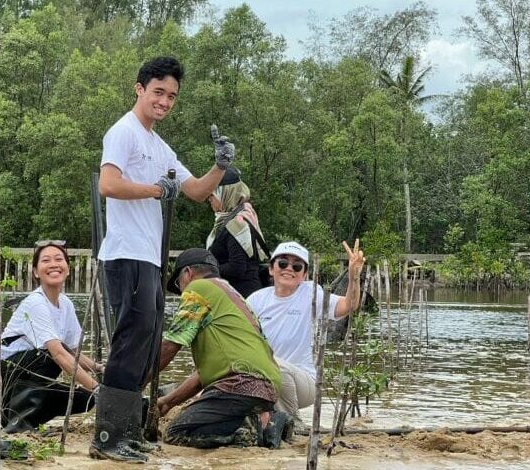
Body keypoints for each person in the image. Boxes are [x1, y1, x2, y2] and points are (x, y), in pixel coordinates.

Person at [90, 56, 235, 463]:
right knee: (130, 342)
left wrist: (220, 167)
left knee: (147, 344)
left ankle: (126, 432)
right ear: (139, 89)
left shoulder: (159, 144)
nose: (165, 101)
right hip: (125, 253)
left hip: (149, 258)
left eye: (171, 95)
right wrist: (156, 191)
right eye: (158, 92)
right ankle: (106, 438)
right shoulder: (124, 132)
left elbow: (192, 189)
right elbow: (108, 184)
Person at [155, 248, 292, 449]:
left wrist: (136, 382)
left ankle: (258, 429)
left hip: (239, 384)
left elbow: (171, 344)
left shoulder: (198, 288)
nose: (182, 290)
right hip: (267, 386)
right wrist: (167, 403)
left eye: (178, 284)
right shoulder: (232, 295)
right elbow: (204, 375)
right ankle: (265, 419)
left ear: (188, 273)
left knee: (177, 433)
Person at [0, 240, 101, 433]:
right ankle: (15, 418)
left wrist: (99, 370)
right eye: (46, 260)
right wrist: (99, 389)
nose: (54, 264)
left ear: (67, 269)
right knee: (52, 354)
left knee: (84, 398)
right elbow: (59, 354)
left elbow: (74, 351)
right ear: (35, 271)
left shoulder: (66, 304)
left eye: (59, 259)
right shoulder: (35, 303)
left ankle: (21, 420)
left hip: (25, 377)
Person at [246, 240, 365, 430]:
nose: (289, 269)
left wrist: (353, 277)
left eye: (297, 266)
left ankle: (293, 423)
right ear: (271, 269)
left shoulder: (310, 294)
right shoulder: (256, 300)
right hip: (263, 379)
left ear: (305, 274)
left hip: (303, 382)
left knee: (277, 367)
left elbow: (348, 305)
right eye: (282, 263)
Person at [205, 167, 268, 297]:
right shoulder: (242, 215)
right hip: (241, 293)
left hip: (241, 296)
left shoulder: (236, 224)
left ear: (224, 194)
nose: (209, 199)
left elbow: (237, 268)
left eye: (212, 195)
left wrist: (207, 269)